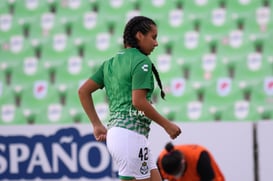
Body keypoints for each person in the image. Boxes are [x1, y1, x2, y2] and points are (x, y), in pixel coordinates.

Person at [78, 16, 182, 181]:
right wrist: (167, 125)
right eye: (153, 37)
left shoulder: (109, 63)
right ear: (139, 35)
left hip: (122, 135)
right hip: (130, 137)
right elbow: (138, 102)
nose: (156, 43)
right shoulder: (141, 62)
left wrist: (97, 125)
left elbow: (83, 91)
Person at [157, 142, 225, 181]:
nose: (177, 178)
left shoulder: (200, 158)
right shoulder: (160, 163)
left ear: (183, 162)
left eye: (178, 173)